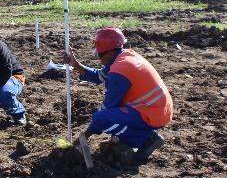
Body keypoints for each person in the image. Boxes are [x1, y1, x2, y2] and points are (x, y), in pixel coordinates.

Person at [65, 27, 173, 163]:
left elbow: (107, 109)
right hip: (155, 109)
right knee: (108, 117)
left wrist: (83, 138)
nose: (99, 59)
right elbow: (99, 76)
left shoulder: (120, 71)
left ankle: (146, 139)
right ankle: (136, 137)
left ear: (109, 53)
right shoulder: (123, 56)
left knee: (101, 119)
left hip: (153, 113)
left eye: (100, 55)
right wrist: (75, 64)